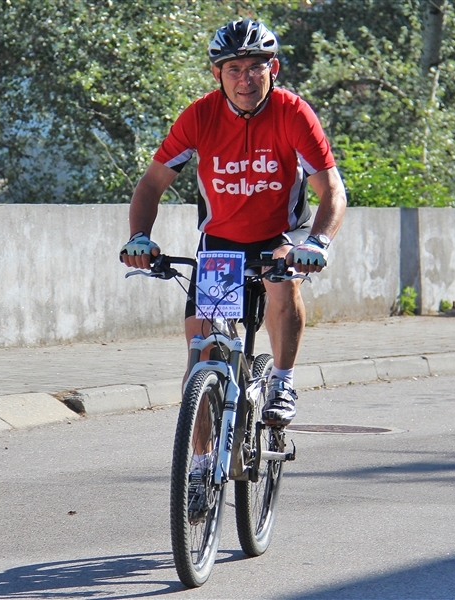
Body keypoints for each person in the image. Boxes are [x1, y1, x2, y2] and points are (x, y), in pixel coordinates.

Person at [120, 18, 347, 427]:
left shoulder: (293, 113)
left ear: (272, 69)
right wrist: (139, 237)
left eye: (255, 67)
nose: (245, 79)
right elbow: (152, 183)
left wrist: (317, 244)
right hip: (221, 242)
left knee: (281, 276)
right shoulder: (200, 116)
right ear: (217, 74)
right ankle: (200, 473)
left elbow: (332, 191)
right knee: (200, 360)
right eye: (233, 69)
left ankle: (282, 381)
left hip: (281, 234)